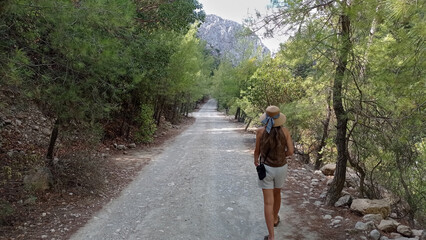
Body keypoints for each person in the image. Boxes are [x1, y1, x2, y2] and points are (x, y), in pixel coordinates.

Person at [254, 106, 294, 240]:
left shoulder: (260, 131)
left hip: (266, 169)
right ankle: (275, 218)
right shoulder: (285, 131)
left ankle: (271, 236)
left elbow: (257, 151)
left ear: (266, 117)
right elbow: (290, 152)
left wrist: (256, 161)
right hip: (281, 168)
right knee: (277, 193)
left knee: (267, 203)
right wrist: (280, 155)